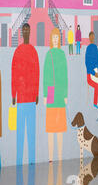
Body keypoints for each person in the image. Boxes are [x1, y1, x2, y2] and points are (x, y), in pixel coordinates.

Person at [11, 23, 39, 166]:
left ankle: (32, 161)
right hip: (21, 99)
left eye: (28, 29)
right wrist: (13, 94)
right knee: (20, 133)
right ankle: (18, 161)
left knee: (31, 133)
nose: (26, 32)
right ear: (22, 32)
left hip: (31, 99)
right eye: (24, 30)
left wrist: (37, 93)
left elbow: (36, 73)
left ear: (30, 32)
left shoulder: (33, 51)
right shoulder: (18, 51)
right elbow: (14, 73)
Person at [43, 28, 68, 163]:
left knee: (60, 127)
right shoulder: (49, 55)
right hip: (51, 91)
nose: (55, 40)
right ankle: (51, 157)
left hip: (60, 91)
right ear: (51, 40)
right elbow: (45, 76)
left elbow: (65, 75)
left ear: (59, 40)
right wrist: (45, 95)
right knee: (51, 126)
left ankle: (59, 156)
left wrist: (65, 94)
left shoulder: (62, 54)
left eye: (57, 38)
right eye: (53, 38)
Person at [85, 31, 98, 108]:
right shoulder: (88, 48)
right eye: (91, 36)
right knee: (96, 86)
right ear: (89, 38)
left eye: (93, 36)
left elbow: (97, 60)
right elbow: (87, 62)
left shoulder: (95, 47)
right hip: (90, 74)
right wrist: (93, 72)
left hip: (96, 71)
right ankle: (95, 103)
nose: (92, 37)